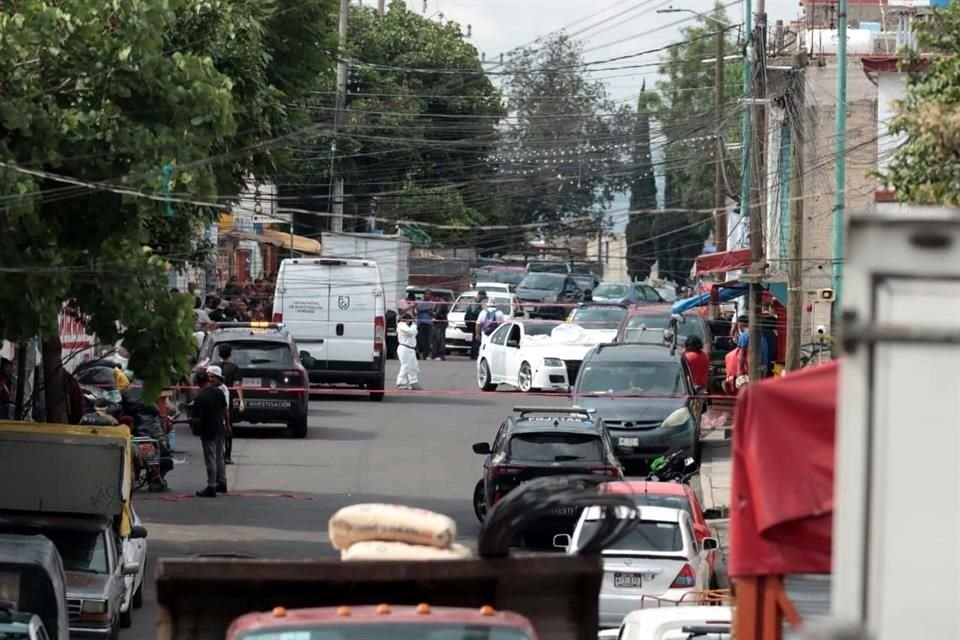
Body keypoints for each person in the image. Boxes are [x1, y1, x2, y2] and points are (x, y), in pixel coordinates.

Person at [191, 369, 228, 497]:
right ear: (207, 379)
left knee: (210, 458)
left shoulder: (199, 398)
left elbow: (196, 420)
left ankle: (211, 486)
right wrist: (227, 425)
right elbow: (225, 410)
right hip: (219, 428)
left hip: (208, 431)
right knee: (220, 457)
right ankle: (222, 483)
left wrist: (193, 422)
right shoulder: (219, 392)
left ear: (197, 383)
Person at [217, 344, 243, 465]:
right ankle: (227, 456)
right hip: (227, 401)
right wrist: (241, 401)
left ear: (218, 354)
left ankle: (218, 453)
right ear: (230, 354)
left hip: (214, 400)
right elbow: (237, 385)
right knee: (228, 426)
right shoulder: (234, 368)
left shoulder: (212, 367)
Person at [396, 313, 422, 391]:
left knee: (414, 366)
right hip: (404, 348)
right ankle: (401, 383)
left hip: (410, 349)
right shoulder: (401, 325)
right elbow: (411, 332)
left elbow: (414, 332)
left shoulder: (409, 326)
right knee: (405, 366)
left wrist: (413, 325)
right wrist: (414, 324)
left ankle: (413, 382)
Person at [414, 290, 435, 359]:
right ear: (424, 295)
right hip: (420, 323)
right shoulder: (420, 302)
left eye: (429, 294)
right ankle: (417, 354)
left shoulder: (432, 303)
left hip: (428, 324)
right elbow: (418, 310)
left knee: (427, 341)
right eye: (426, 294)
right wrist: (427, 310)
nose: (427, 295)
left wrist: (427, 311)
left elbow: (433, 313)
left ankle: (426, 355)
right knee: (419, 340)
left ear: (431, 295)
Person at [465, 291, 486, 360]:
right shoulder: (475, 302)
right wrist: (482, 310)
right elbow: (474, 311)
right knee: (477, 338)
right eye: (482, 297)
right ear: (479, 295)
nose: (483, 299)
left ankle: (474, 353)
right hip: (474, 322)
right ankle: (474, 353)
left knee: (475, 338)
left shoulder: (476, 302)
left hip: (473, 321)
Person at [430, 290, 448, 361]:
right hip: (438, 322)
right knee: (435, 339)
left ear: (437, 297)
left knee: (440, 339)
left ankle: (441, 355)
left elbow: (437, 314)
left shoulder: (441, 303)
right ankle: (435, 354)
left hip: (441, 323)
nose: (432, 300)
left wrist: (431, 312)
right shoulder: (438, 303)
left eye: (433, 298)